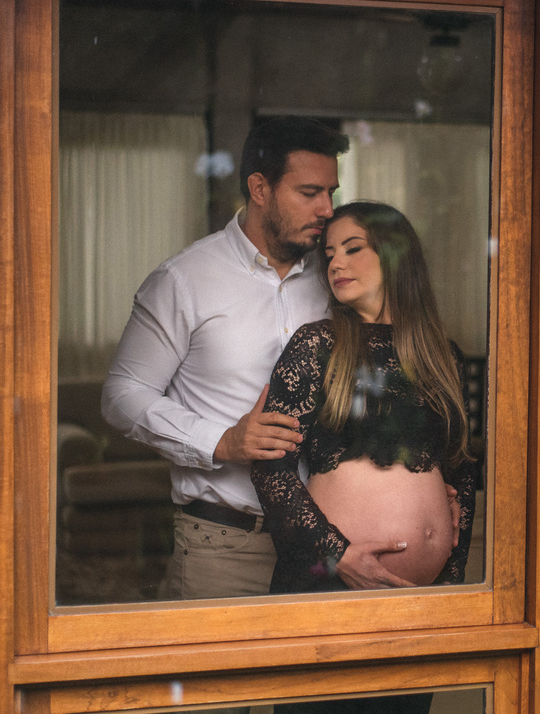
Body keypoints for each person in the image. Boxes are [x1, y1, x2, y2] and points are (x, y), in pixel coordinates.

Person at [101, 116, 348, 600]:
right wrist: (221, 441)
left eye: (331, 192)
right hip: (226, 548)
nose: (327, 209)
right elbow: (121, 395)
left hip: (327, 547)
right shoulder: (183, 280)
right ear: (260, 188)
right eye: (309, 192)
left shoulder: (337, 277)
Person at [251, 202, 477, 593]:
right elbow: (270, 469)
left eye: (353, 248)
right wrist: (337, 556)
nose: (336, 264)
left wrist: (451, 575)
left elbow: (462, 472)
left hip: (426, 594)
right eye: (329, 255)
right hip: (332, 583)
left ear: (395, 256)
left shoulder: (443, 356)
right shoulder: (317, 345)